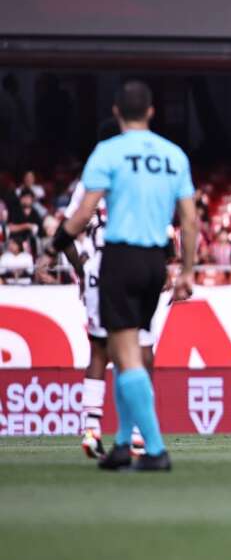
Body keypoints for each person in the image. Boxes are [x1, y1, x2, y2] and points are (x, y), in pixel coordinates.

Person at [53, 80, 198, 473]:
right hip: (155, 263)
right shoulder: (174, 156)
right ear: (151, 112)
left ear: (117, 113)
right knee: (136, 349)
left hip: (118, 259)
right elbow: (188, 220)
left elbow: (82, 215)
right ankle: (121, 444)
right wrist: (185, 270)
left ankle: (153, 449)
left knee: (123, 351)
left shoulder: (108, 152)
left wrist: (57, 241)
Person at [58, 179, 162, 459]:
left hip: (97, 271)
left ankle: (91, 429)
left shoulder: (91, 178)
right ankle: (139, 434)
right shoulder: (141, 174)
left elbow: (66, 230)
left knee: (99, 352)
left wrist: (82, 273)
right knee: (141, 351)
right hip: (135, 265)